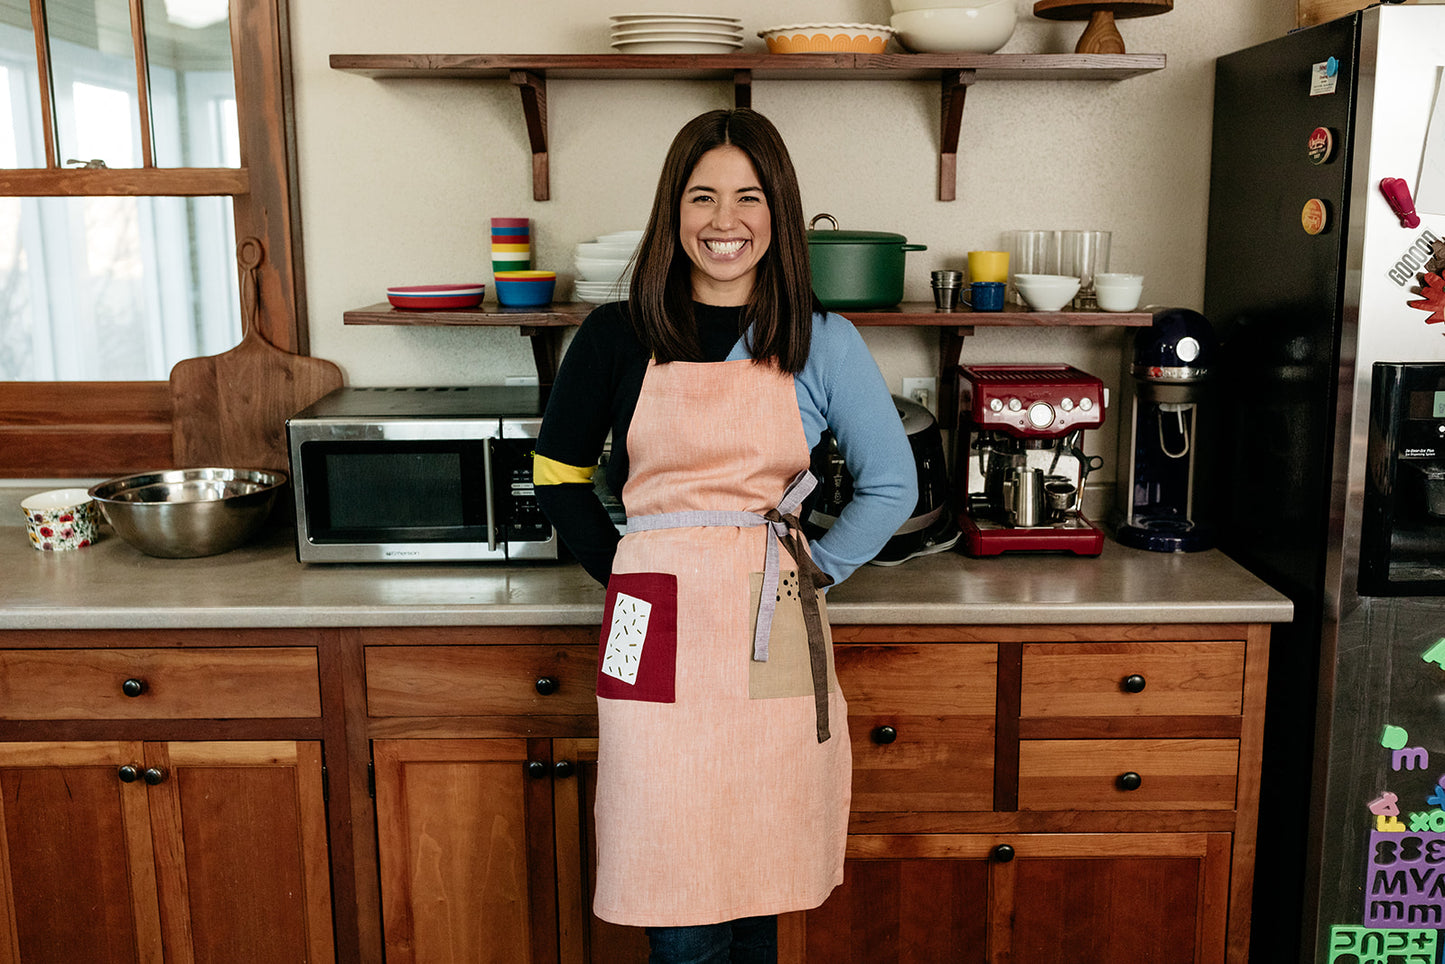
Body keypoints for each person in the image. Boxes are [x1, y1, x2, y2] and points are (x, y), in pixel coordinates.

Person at [532, 107, 917, 964]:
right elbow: (556, 473)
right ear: (673, 210)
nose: (723, 220)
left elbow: (892, 485)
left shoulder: (820, 339)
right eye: (701, 196)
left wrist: (812, 574)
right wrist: (626, 574)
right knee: (666, 862)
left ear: (777, 212)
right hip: (643, 611)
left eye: (748, 197)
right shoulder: (615, 334)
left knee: (758, 859)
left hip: (771, 606)